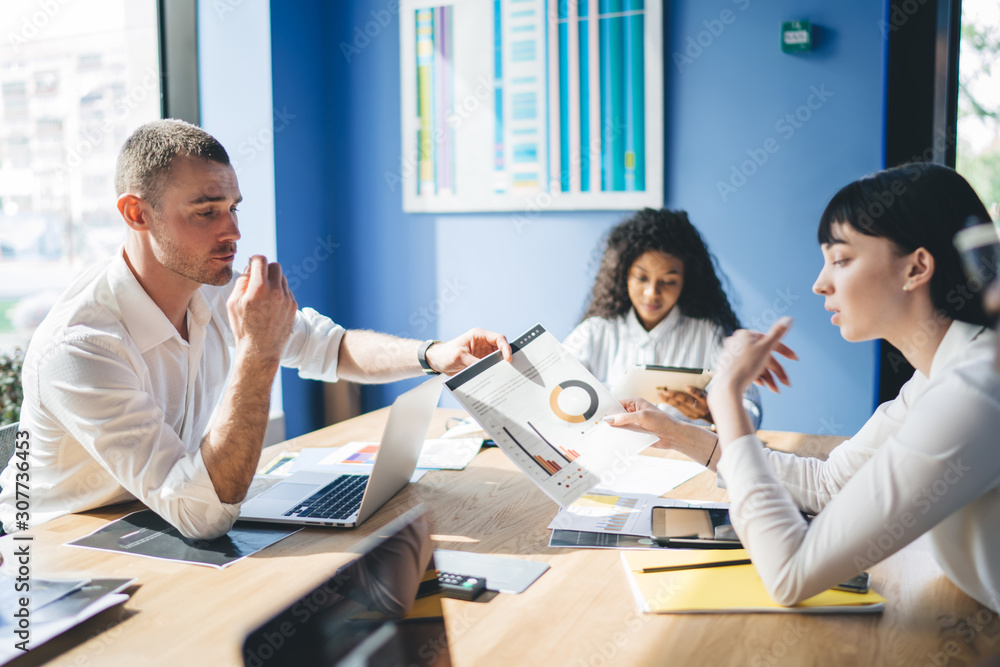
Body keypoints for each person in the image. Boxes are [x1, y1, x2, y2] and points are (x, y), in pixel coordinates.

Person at [0, 119, 511, 540]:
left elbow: (331, 348)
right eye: (206, 212)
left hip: (158, 519)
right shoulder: (83, 346)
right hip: (58, 555)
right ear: (137, 213)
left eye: (233, 208)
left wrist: (434, 354)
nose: (233, 232)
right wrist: (258, 352)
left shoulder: (214, 284)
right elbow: (201, 515)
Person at [607, 163, 1000, 611]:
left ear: (916, 268)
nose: (820, 283)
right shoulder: (940, 374)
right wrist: (680, 433)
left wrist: (726, 400)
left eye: (841, 260)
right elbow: (829, 485)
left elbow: (790, 574)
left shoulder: (969, 394)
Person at [563, 208, 762, 429]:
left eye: (668, 281)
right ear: (623, 274)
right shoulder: (594, 333)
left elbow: (750, 411)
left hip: (684, 459)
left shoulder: (710, 334)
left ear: (686, 281)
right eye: (641, 278)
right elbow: (551, 393)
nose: (652, 293)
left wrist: (710, 413)